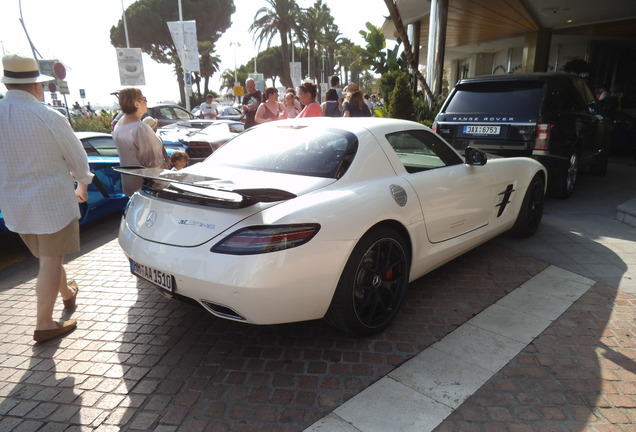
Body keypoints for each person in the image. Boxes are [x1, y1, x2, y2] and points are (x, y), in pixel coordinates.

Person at [0, 53, 94, 343]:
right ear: (37, 86)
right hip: (52, 203)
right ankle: (44, 324)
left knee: (48, 258)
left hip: (15, 207)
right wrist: (82, 185)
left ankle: (66, 293)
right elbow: (79, 161)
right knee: (50, 262)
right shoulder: (48, 116)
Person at [113, 87, 168, 197]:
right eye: (144, 98)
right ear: (136, 103)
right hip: (147, 188)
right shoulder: (140, 128)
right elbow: (153, 164)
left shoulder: (118, 126)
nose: (146, 102)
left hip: (129, 184)